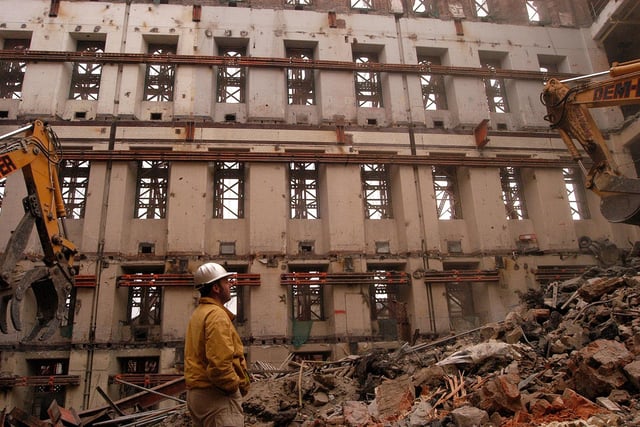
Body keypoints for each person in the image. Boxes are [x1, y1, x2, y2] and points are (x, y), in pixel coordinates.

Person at [185, 262, 250, 427]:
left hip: (198, 394)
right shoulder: (217, 315)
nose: (230, 285)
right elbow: (220, 364)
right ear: (216, 288)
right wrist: (232, 388)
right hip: (216, 395)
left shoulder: (199, 314)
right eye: (226, 282)